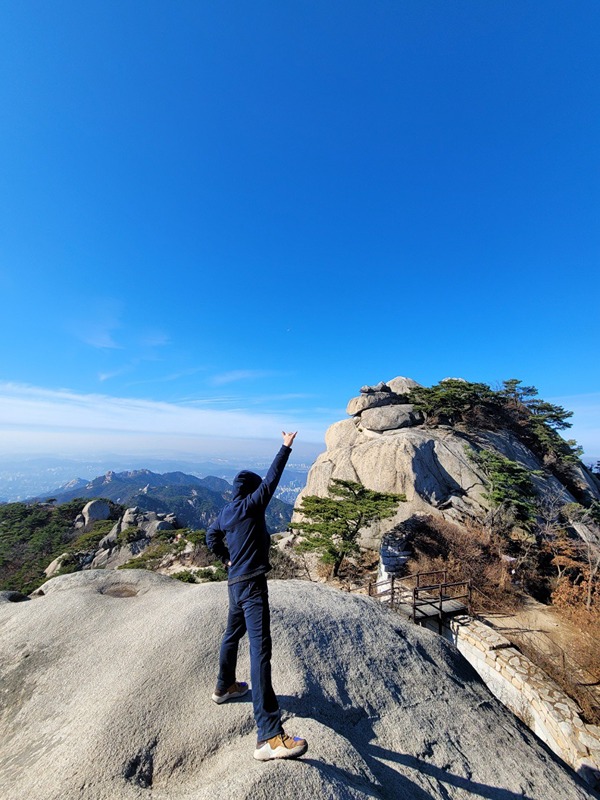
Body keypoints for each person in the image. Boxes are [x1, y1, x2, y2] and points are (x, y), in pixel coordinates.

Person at [206, 431, 308, 761]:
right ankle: (268, 736)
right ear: (249, 491)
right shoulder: (252, 504)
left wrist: (225, 559)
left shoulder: (226, 512)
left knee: (231, 636)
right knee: (260, 653)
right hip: (252, 587)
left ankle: (224, 687)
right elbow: (272, 479)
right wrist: (285, 446)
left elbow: (210, 537)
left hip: (234, 584)